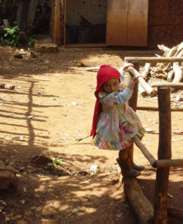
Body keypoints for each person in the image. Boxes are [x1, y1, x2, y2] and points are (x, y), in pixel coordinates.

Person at [90, 64, 145, 177]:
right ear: (102, 86)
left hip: (123, 120)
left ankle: (130, 163)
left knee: (131, 141)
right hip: (115, 126)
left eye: (115, 84)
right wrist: (130, 87)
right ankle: (125, 169)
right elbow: (122, 98)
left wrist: (123, 69)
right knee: (124, 146)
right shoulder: (105, 97)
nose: (112, 88)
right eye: (107, 85)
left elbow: (117, 76)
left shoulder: (115, 86)